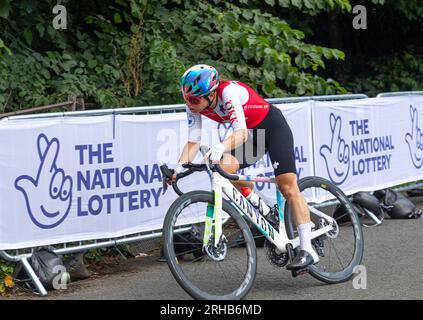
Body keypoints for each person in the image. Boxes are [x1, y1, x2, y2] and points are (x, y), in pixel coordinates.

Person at [170, 64, 319, 270]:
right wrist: (177, 169)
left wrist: (220, 146)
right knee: (223, 169)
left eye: (194, 99)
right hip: (252, 137)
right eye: (185, 98)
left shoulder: (228, 92)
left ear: (211, 94)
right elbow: (193, 141)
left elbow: (239, 133)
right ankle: (263, 208)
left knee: (287, 186)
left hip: (272, 128)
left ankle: (307, 248)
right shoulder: (194, 105)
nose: (189, 103)